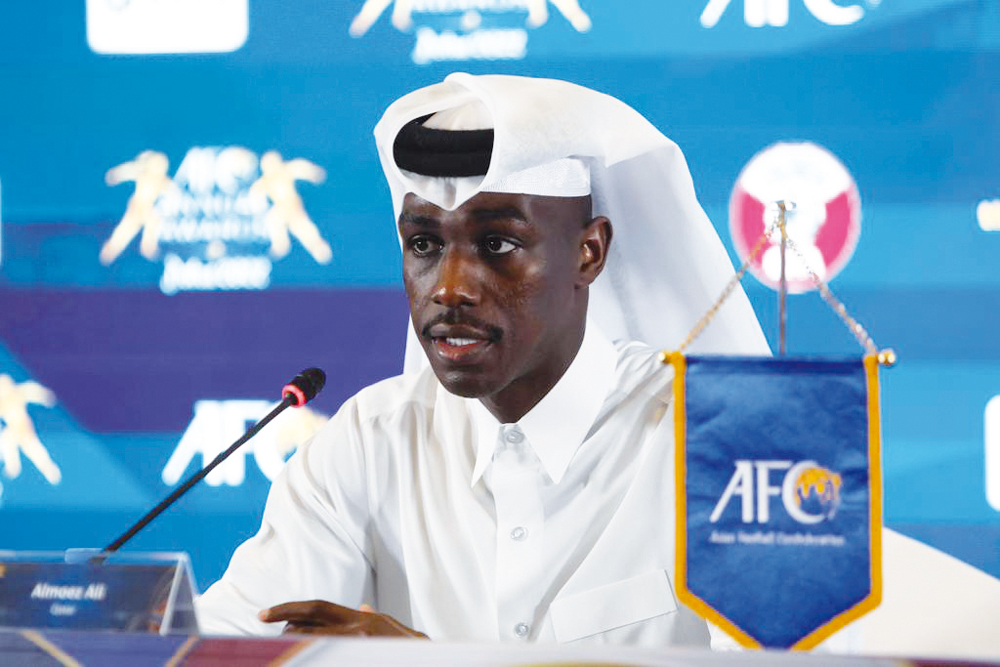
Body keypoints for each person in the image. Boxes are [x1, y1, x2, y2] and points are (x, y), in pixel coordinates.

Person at [195, 73, 770, 645]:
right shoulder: (370, 442)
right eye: (424, 245)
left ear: (588, 252)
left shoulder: (722, 448)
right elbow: (220, 645)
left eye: (497, 245)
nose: (449, 289)